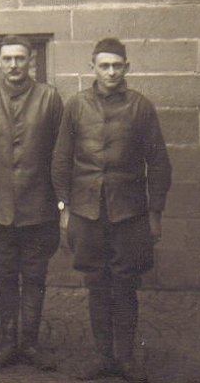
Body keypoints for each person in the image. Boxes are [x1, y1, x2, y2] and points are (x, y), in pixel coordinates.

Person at [51, 38, 172, 382]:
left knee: (125, 284)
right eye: (104, 66)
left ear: (127, 68)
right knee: (96, 283)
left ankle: (125, 358)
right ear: (93, 67)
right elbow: (61, 160)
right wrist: (64, 207)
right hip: (87, 212)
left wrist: (155, 213)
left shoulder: (140, 107)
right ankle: (103, 357)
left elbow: (159, 163)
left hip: (129, 213)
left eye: (117, 66)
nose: (111, 72)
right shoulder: (76, 106)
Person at [0, 35, 64, 371]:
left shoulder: (50, 98)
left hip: (40, 208)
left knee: (36, 275)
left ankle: (31, 343)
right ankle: (8, 341)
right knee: (4, 274)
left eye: (20, 59)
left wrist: (63, 205)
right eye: (7, 59)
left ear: (31, 61)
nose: (13, 65)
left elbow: (61, 156)